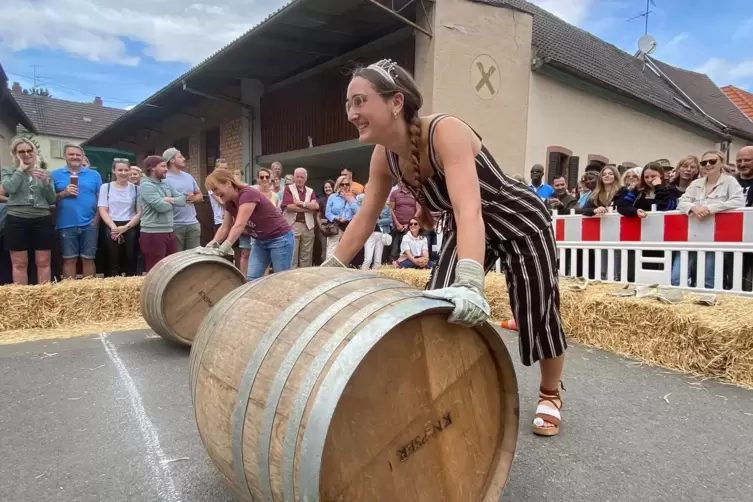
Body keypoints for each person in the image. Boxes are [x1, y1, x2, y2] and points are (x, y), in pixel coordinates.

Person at [322, 59, 567, 437]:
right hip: (465, 224)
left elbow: (470, 209)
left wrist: (471, 280)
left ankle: (551, 393)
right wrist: (327, 269)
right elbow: (364, 220)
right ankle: (442, 389)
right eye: (348, 104)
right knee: (438, 307)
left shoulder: (445, 130)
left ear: (395, 102)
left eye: (360, 101)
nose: (351, 113)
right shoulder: (382, 156)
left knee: (536, 309)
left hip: (517, 219)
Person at [200, 168, 294, 281]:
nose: (215, 193)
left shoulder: (247, 194)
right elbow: (225, 227)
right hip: (260, 241)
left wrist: (225, 246)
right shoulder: (229, 202)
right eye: (212, 190)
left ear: (228, 183)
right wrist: (212, 244)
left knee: (281, 280)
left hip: (280, 238)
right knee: (251, 280)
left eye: (216, 189)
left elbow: (239, 225)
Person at [1, 137, 56, 284]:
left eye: (29, 150)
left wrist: (45, 182)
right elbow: (10, 188)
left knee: (43, 260)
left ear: (34, 151)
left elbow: (52, 199)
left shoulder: (46, 173)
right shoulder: (8, 171)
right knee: (20, 262)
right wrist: (20, 170)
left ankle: (45, 296)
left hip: (41, 218)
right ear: (15, 154)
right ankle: (22, 300)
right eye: (21, 152)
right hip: (17, 218)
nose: (26, 154)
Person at [138, 155, 186, 272]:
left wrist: (168, 200)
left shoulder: (166, 183)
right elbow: (161, 207)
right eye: (163, 166)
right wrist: (173, 201)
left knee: (171, 268)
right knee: (155, 269)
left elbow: (183, 199)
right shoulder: (146, 185)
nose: (166, 169)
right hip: (153, 233)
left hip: (169, 230)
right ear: (152, 168)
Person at [97, 159, 141, 276]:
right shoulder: (106, 188)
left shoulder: (136, 189)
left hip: (130, 225)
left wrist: (125, 228)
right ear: (114, 171)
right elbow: (103, 209)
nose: (123, 173)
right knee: (112, 260)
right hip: (111, 224)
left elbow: (139, 212)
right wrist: (114, 228)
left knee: (130, 259)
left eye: (126, 170)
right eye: (120, 170)